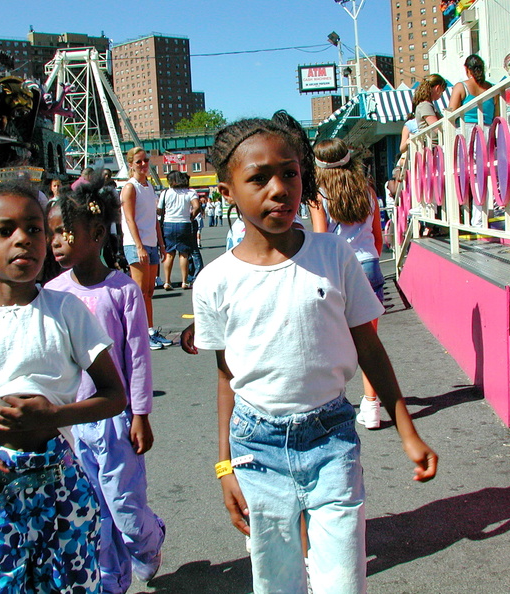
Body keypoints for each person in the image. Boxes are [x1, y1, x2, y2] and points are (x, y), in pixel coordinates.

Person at [193, 111, 438, 593]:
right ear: (227, 193)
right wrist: (225, 467)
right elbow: (227, 378)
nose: (278, 189)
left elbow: (369, 346)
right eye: (257, 179)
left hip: (332, 441)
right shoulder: (214, 282)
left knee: (344, 582)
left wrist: (407, 429)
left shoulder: (333, 257)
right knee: (277, 582)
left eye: (288, 172)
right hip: (255, 450)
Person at [0, 181, 127, 593]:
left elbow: (113, 395)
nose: (23, 240)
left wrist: (54, 415)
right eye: (5, 231)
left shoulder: (66, 310)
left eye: (34, 229)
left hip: (61, 484)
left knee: (71, 585)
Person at [45, 185, 166, 592]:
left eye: (65, 231)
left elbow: (137, 358)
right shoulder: (53, 293)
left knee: (125, 510)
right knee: (93, 509)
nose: (56, 242)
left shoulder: (122, 290)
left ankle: (151, 540)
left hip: (117, 420)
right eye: (52, 233)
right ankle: (111, 580)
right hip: (75, 423)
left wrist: (141, 415)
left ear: (97, 234)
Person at [309, 139, 385, 430]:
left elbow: (320, 239)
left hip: (337, 269)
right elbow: (377, 237)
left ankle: (331, 403)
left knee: (330, 341)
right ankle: (372, 406)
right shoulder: (367, 190)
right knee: (369, 343)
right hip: (369, 265)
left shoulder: (319, 195)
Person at [120, 147, 171, 351]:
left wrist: (161, 243)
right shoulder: (130, 188)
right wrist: (139, 246)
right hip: (135, 244)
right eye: (139, 162)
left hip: (151, 243)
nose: (143, 165)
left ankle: (149, 330)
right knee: (139, 292)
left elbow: (154, 220)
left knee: (149, 292)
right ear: (131, 164)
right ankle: (138, 334)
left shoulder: (148, 187)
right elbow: (129, 218)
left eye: (145, 161)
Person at [448, 54, 497, 227]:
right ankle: (481, 215)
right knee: (485, 173)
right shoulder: (491, 88)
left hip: (467, 131)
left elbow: (450, 112)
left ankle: (468, 217)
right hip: (487, 131)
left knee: (464, 174)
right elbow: (495, 114)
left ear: (466, 69)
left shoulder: (461, 87)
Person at [158, 171, 200, 290]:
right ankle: (184, 281)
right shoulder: (190, 192)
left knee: (169, 254)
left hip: (168, 224)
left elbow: (159, 209)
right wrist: (191, 215)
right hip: (184, 223)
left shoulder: (165, 193)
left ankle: (167, 281)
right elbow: (197, 206)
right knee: (184, 254)